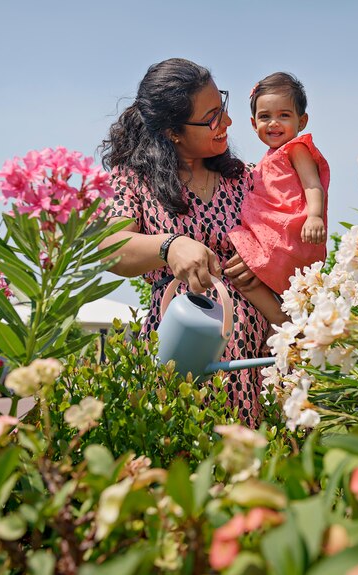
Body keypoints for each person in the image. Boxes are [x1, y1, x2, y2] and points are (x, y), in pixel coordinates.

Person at [98, 58, 269, 426]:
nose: (227, 123)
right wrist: (169, 246)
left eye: (221, 108)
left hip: (257, 363)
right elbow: (110, 248)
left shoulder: (247, 179)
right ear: (174, 132)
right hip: (181, 354)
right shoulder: (133, 181)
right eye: (211, 117)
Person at [228, 72, 330, 320]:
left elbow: (312, 184)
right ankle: (278, 319)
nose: (273, 123)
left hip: (288, 230)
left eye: (284, 115)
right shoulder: (267, 158)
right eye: (265, 117)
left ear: (301, 121)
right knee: (243, 275)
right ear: (254, 124)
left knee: (242, 267)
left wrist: (315, 216)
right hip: (273, 230)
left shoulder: (296, 149)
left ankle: (279, 321)